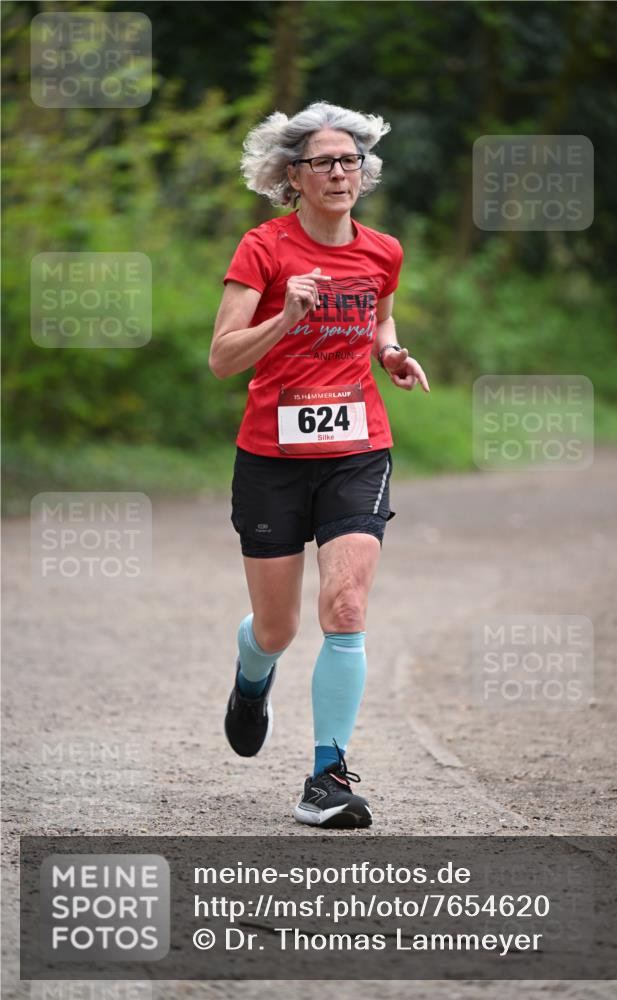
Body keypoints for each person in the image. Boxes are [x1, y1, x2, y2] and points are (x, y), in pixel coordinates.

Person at [209, 101, 429, 829]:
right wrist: (285, 319)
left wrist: (389, 352)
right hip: (270, 456)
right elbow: (221, 359)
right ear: (291, 177)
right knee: (276, 629)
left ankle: (326, 777)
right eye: (322, 163)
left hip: (356, 449)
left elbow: (378, 315)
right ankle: (251, 677)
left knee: (345, 607)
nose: (339, 172)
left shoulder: (382, 250)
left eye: (350, 161)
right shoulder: (262, 249)